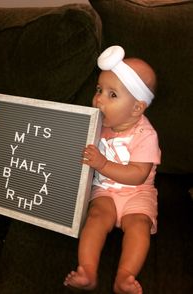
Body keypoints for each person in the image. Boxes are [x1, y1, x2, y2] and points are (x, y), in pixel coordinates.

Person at [64, 45, 161, 294]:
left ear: (137, 108)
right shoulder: (96, 125)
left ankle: (124, 276)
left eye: (112, 95)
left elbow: (138, 173)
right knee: (95, 218)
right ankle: (87, 270)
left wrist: (103, 164)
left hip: (137, 193)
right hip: (105, 191)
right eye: (99, 90)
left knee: (139, 225)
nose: (98, 99)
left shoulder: (145, 134)